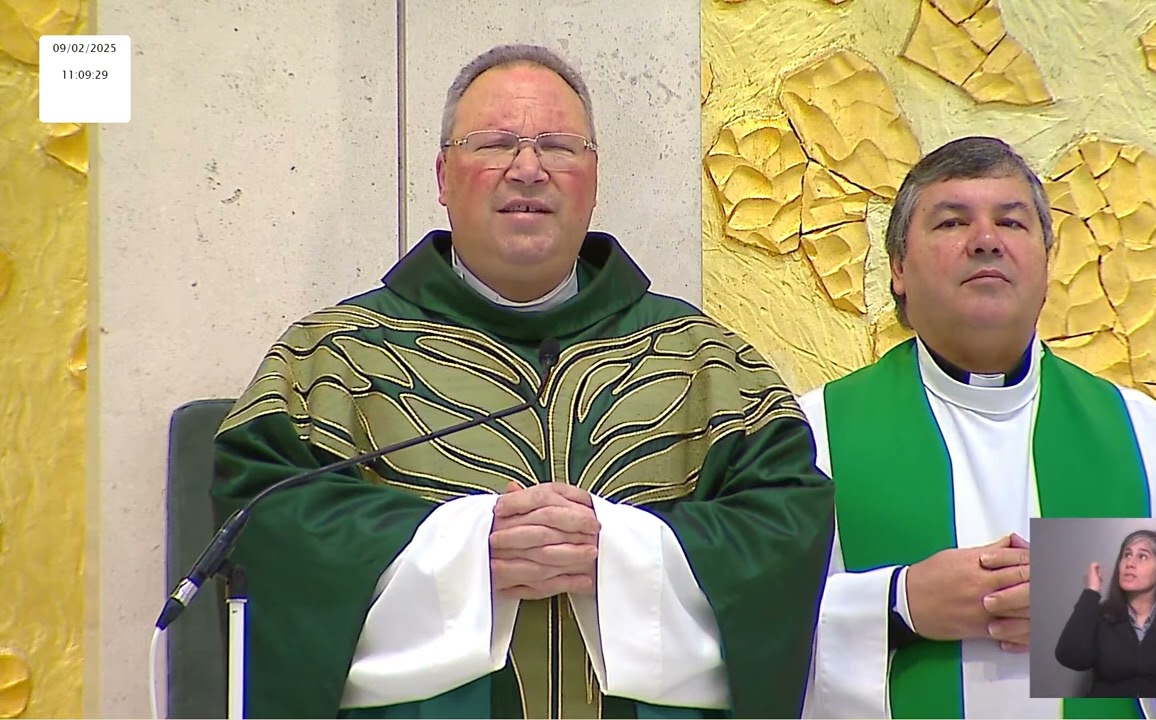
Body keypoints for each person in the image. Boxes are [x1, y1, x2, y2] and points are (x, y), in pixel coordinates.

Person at [211, 44, 835, 719]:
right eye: (497, 144)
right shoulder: (334, 356)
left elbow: (786, 531)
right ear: (444, 175)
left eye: (559, 147)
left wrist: (622, 556)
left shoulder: (705, 360)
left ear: (592, 179)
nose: (529, 169)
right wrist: (467, 551)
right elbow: (264, 529)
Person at [797, 136, 1156, 719]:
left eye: (1012, 221)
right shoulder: (811, 436)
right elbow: (732, 630)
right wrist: (896, 606)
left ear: (1048, 262)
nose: (985, 240)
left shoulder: (1145, 436)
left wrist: (1094, 604)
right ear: (898, 267)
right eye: (952, 222)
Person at [1054, 530, 1156, 698]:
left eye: (1142, 557)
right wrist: (1091, 592)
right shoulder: (1102, 616)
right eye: (1126, 555)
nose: (1129, 563)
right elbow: (1070, 657)